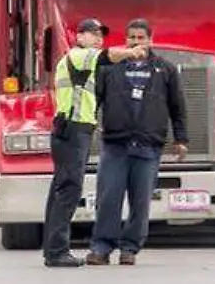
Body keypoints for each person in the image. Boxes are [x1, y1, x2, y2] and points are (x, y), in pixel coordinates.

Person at [43, 18, 145, 268]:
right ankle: (57, 252)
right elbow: (108, 56)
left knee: (61, 190)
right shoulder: (80, 55)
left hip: (73, 129)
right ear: (79, 37)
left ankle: (53, 249)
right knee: (68, 190)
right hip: (72, 130)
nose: (98, 38)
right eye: (92, 33)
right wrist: (131, 52)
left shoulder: (83, 61)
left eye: (100, 34)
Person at [87, 18, 188, 266]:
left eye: (140, 37)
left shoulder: (165, 69)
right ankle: (101, 248)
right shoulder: (109, 69)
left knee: (140, 201)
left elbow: (178, 107)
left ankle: (130, 248)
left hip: (148, 146)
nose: (136, 41)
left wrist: (181, 139)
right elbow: (94, 99)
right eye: (131, 37)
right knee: (108, 198)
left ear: (150, 40)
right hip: (114, 145)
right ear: (126, 39)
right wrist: (89, 125)